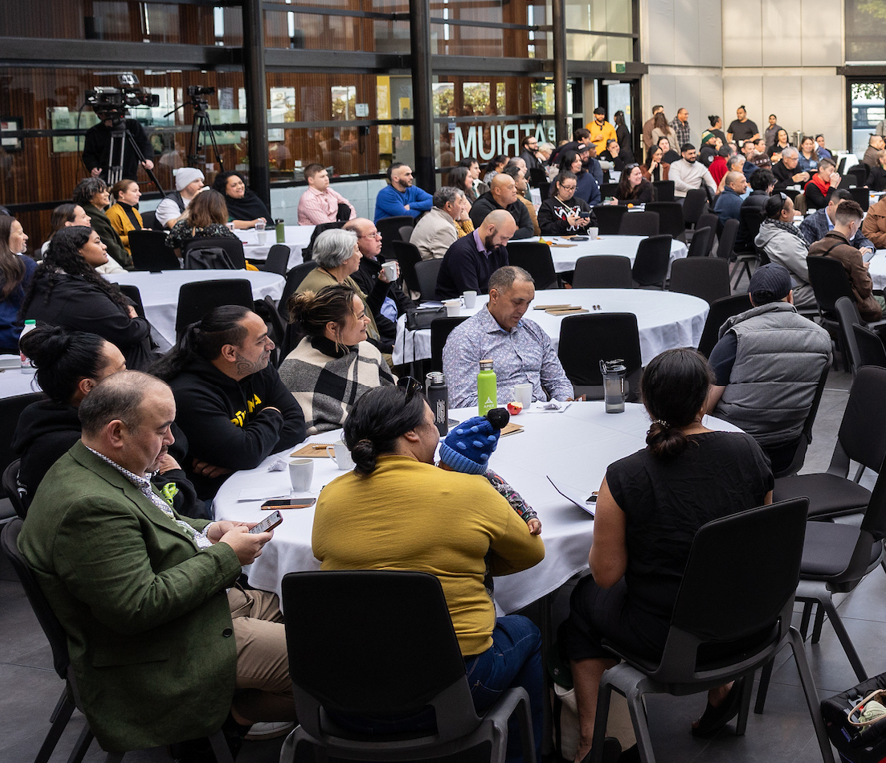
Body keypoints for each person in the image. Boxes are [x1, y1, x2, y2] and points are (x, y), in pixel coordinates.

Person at [17, 371, 292, 751]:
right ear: (116, 432)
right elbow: (137, 607)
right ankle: (234, 716)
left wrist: (209, 530)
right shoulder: (89, 507)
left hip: (189, 613)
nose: (172, 441)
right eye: (162, 429)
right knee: (325, 661)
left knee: (311, 613)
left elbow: (150, 518)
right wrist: (226, 554)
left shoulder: (93, 462)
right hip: (159, 650)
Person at [312, 387, 546, 760]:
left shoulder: (330, 496)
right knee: (527, 631)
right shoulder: (469, 489)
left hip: (343, 696)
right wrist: (469, 562)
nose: (439, 430)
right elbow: (532, 552)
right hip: (447, 692)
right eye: (433, 422)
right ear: (411, 434)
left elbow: (327, 556)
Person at [565, 349, 772, 748]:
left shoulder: (626, 476)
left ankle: (594, 737)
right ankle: (723, 684)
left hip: (670, 639)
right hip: (751, 624)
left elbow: (607, 576)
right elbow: (759, 539)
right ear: (703, 400)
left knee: (581, 601)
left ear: (647, 404)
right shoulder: (749, 451)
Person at [12, 327, 201, 514]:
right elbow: (168, 505)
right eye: (121, 371)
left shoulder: (50, 417)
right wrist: (173, 475)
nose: (131, 376)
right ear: (88, 386)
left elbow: (177, 438)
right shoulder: (87, 445)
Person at [152, 305, 303, 496]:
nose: (271, 345)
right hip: (212, 498)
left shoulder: (258, 368)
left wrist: (236, 462)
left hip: (248, 478)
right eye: (260, 341)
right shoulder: (189, 393)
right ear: (230, 352)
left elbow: (297, 424)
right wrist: (272, 413)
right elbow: (245, 452)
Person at [707, 265, 833, 470]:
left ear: (751, 300)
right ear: (791, 297)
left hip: (733, 453)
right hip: (787, 450)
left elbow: (705, 407)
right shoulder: (821, 338)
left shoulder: (735, 338)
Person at [24, 226, 154, 371]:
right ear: (78, 250)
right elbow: (128, 332)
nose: (104, 246)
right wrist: (138, 320)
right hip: (104, 373)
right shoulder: (76, 294)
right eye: (97, 242)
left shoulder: (55, 282)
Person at [442, 266, 573, 408]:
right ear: (494, 296)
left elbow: (558, 381)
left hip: (543, 415)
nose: (523, 310)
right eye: (517, 302)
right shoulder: (465, 338)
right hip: (497, 421)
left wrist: (563, 404)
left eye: (528, 303)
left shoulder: (533, 331)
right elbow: (461, 402)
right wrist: (511, 409)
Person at [279, 285, 393, 434]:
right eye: (360, 316)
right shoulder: (294, 370)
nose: (368, 320)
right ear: (333, 328)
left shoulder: (368, 351)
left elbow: (392, 402)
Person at [808, 197, 883, 321]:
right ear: (852, 225)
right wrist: (863, 268)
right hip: (856, 310)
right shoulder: (852, 254)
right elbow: (865, 291)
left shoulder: (814, 248)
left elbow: (813, 281)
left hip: (827, 308)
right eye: (858, 227)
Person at [435, 210, 516, 301]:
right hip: (457, 308)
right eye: (503, 238)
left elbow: (505, 285)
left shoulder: (498, 248)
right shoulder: (461, 252)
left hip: (485, 304)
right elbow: (472, 295)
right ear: (490, 229)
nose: (505, 243)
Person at [752, 195, 816, 309]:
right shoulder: (784, 241)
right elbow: (811, 273)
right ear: (784, 213)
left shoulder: (766, 229)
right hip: (791, 292)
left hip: (783, 285)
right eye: (793, 208)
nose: (795, 212)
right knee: (840, 290)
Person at [74, 177, 132, 271]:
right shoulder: (93, 218)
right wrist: (131, 260)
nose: (107, 194)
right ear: (90, 197)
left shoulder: (97, 214)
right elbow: (112, 250)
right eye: (102, 192)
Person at [0, 212, 34, 351]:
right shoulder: (24, 265)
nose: (25, 237)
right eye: (20, 233)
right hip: (18, 343)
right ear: (4, 238)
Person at [411, 187, 472, 261]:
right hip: (432, 270)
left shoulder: (429, 216)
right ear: (449, 206)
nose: (463, 207)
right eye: (460, 202)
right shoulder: (444, 228)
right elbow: (448, 263)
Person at [473, 172, 536, 239]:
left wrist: (505, 232)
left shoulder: (517, 203)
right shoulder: (481, 207)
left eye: (515, 186)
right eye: (510, 187)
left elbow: (529, 230)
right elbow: (492, 236)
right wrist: (515, 229)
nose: (515, 190)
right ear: (497, 191)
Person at [105, 179, 143, 252]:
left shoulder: (135, 211)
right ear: (121, 194)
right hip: (125, 255)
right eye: (135, 191)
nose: (139, 194)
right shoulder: (112, 213)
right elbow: (112, 240)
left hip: (139, 250)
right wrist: (138, 236)